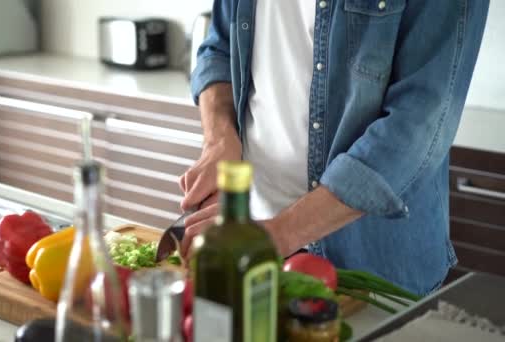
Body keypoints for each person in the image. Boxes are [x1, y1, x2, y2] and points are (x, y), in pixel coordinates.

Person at [179, 0, 490, 295]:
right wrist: (219, 138)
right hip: (254, 240)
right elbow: (218, 50)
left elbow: (417, 125)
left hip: (370, 268)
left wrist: (281, 233)